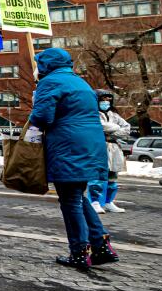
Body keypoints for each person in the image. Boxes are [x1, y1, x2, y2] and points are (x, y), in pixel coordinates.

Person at [28, 48, 119, 270]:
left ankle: (79, 251)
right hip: (90, 144)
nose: (37, 68)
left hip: (67, 145)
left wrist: (35, 104)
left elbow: (42, 117)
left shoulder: (50, 83)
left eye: (39, 64)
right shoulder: (80, 82)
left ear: (46, 65)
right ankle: (100, 245)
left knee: (69, 201)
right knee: (77, 196)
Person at [89, 89, 131, 213]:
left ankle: (108, 202)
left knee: (112, 176)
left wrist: (111, 134)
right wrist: (116, 129)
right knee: (97, 176)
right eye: (103, 99)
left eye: (108, 99)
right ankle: (95, 201)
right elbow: (100, 126)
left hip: (114, 147)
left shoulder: (114, 115)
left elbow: (127, 129)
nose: (106, 102)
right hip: (99, 147)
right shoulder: (93, 113)